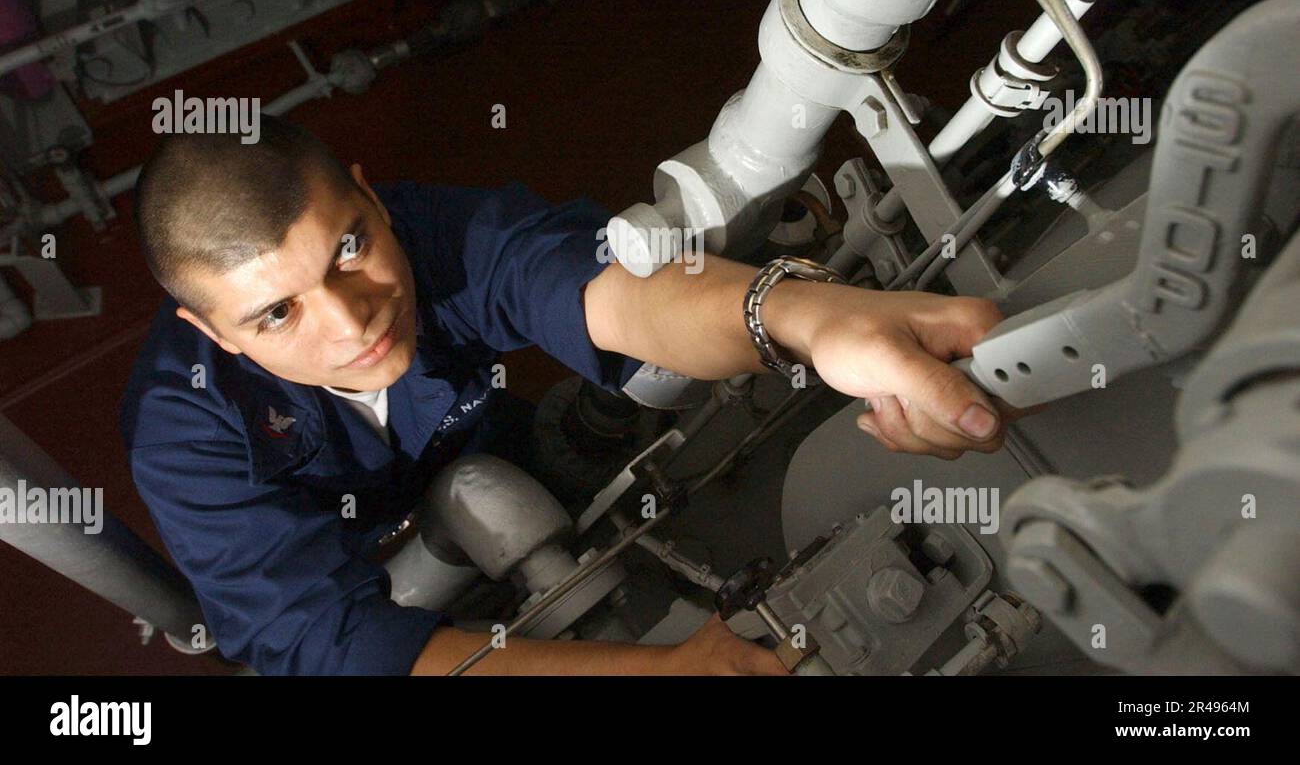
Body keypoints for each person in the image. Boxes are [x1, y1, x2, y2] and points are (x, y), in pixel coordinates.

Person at [120, 116, 1008, 675]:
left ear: (371, 198)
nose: (351, 324)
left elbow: (607, 288)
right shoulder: (181, 427)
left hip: (477, 447)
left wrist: (813, 318)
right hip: (330, 545)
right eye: (277, 315)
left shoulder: (434, 230)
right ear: (215, 335)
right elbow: (329, 645)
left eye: (348, 249)